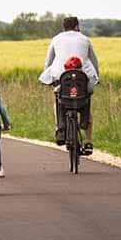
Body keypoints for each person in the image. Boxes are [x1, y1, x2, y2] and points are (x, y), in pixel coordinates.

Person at [38, 16, 99, 152]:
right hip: (83, 78)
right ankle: (88, 141)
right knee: (86, 102)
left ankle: (60, 128)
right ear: (77, 26)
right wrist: (96, 77)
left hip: (61, 77)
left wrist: (47, 77)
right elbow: (94, 61)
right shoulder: (85, 39)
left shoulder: (56, 39)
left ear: (64, 27)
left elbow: (48, 61)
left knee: (58, 99)